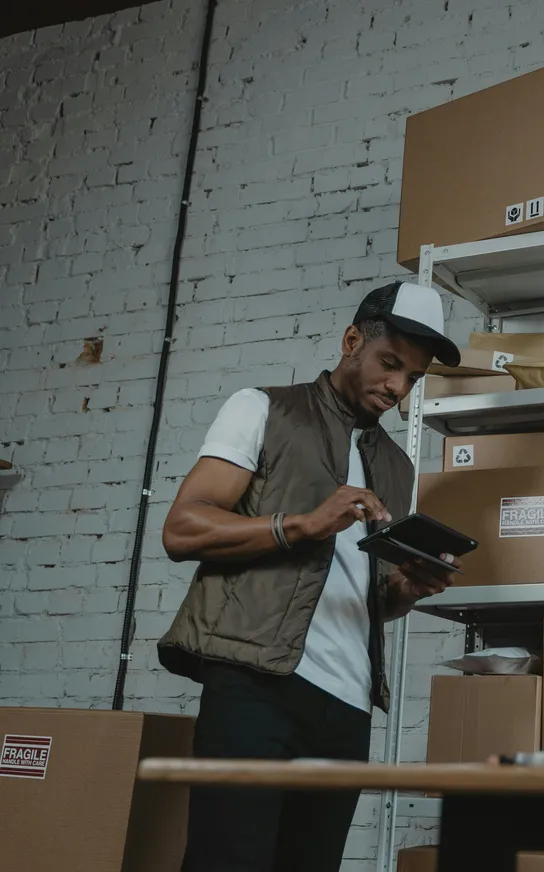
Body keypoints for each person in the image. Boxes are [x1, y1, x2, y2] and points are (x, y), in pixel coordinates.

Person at [158, 281, 462, 872]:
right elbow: (183, 529)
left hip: (347, 708)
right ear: (352, 341)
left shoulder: (395, 467)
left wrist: (408, 588)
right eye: (390, 364)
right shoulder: (263, 409)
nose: (397, 388)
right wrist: (301, 524)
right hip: (256, 688)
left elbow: (369, 595)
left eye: (413, 378)